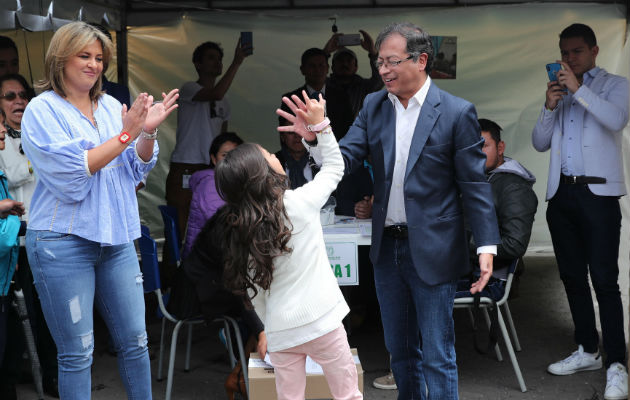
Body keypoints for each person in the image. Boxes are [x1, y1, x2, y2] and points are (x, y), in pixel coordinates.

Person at [307, 22, 500, 399]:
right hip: (387, 248)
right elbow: (345, 158)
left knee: (438, 354)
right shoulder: (374, 104)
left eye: (391, 62)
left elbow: (474, 185)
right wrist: (317, 137)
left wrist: (486, 246)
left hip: (434, 247)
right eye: (379, 62)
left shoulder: (456, 112)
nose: (382, 71)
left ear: (421, 60)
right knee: (400, 353)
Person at [21, 21, 178, 399]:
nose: (94, 65)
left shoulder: (110, 105)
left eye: (98, 58)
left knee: (137, 342)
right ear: (60, 58)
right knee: (78, 353)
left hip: (117, 239)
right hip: (63, 243)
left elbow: (136, 168)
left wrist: (148, 132)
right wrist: (126, 134)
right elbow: (75, 173)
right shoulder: (41, 111)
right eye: (84, 56)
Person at [217, 92, 362, 400]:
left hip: (281, 332)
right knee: (347, 395)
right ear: (264, 175)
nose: (276, 156)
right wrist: (321, 127)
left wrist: (266, 328)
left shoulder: (240, 229)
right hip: (323, 321)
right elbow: (335, 168)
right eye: (270, 156)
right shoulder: (297, 203)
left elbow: (254, 293)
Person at [532, 23, 628, 400]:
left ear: (594, 51)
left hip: (599, 194)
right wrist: (549, 105)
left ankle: (617, 362)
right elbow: (540, 143)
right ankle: (588, 349)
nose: (569, 59)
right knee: (571, 277)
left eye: (576, 52)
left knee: (604, 280)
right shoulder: (562, 91)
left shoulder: (614, 85)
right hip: (563, 195)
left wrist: (578, 89)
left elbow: (617, 119)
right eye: (564, 53)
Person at [0, 73, 60, 399]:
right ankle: (8, 381)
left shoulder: (39, 134)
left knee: (47, 317)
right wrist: (38, 163)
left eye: (23, 94)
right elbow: (10, 174)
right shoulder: (0, 138)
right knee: (11, 320)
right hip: (11, 241)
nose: (19, 101)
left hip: (44, 237)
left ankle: (51, 377)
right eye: (10, 96)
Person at [166, 39, 251, 235]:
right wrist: (236, 62)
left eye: (220, 59)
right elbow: (215, 93)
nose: (217, 62)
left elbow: (223, 139)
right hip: (186, 166)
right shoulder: (188, 88)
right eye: (211, 58)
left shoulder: (224, 102)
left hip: (213, 168)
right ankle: (174, 266)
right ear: (197, 64)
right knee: (180, 226)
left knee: (210, 225)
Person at [456, 118, 538, 300]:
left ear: (500, 148)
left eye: (483, 146)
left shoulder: (514, 187)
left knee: (415, 286)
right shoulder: (477, 180)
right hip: (465, 269)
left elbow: (514, 245)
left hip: (489, 279)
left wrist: (459, 244)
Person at [182, 131, 243, 257]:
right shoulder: (211, 183)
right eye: (225, 155)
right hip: (204, 263)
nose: (230, 160)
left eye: (236, 155)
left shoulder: (230, 182)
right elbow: (222, 224)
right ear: (214, 159)